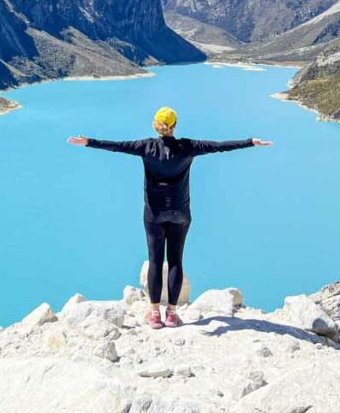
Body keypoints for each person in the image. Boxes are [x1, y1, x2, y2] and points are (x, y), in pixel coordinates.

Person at [68, 106, 272, 329]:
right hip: (180, 214)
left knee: (155, 260)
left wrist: (88, 142)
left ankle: (155, 314)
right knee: (176, 260)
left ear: (156, 125)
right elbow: (219, 147)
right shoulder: (189, 147)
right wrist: (250, 141)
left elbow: (117, 146)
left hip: (154, 214)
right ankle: (172, 314)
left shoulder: (146, 147)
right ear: (174, 125)